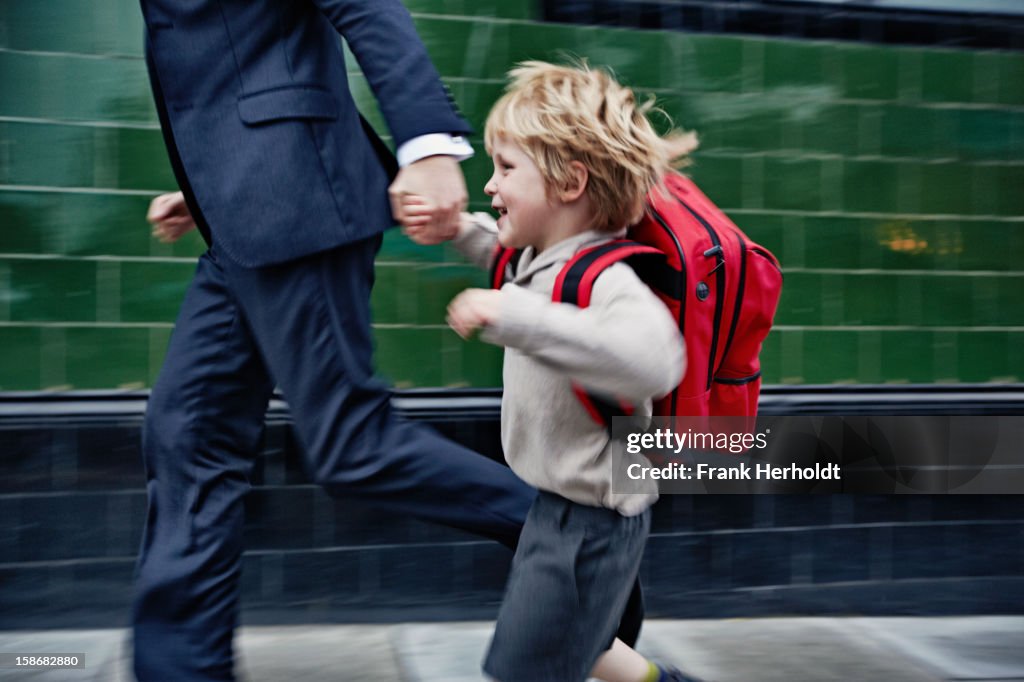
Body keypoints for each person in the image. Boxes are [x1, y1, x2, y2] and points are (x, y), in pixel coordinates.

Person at [134, 2, 649, 679]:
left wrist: (428, 145)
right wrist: (213, 181)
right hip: (245, 202)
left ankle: (576, 535)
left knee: (352, 446)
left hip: (295, 204)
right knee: (185, 436)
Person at [404, 61, 703, 682]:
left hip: (589, 522)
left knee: (526, 665)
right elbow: (507, 258)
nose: (490, 184)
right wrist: (458, 230)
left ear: (569, 181)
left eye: (506, 168)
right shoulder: (545, 259)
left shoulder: (608, 279)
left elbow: (656, 358)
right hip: (557, 508)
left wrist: (516, 316)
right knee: (582, 645)